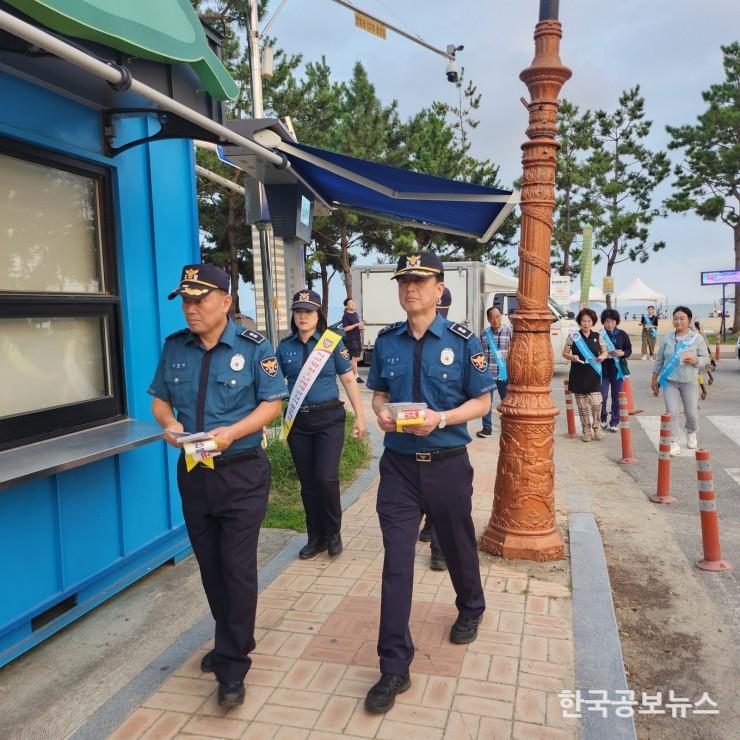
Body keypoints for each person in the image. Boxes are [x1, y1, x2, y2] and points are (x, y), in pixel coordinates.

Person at [148, 264, 287, 708]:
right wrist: (169, 425)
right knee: (210, 566)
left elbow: (272, 403)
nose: (191, 309)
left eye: (200, 300)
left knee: (237, 567)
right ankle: (232, 638)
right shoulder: (175, 348)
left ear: (225, 302)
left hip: (242, 472)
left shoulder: (254, 347)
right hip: (193, 472)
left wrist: (231, 432)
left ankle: (232, 666)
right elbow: (159, 399)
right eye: (186, 300)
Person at [364, 252, 491, 714]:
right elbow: (379, 391)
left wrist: (442, 418)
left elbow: (481, 401)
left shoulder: (462, 341)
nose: (409, 288)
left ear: (440, 289)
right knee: (397, 563)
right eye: (403, 281)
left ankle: (471, 605)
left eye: (420, 281)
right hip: (398, 468)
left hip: (447, 464)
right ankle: (393, 666)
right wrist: (380, 411)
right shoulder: (387, 342)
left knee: (457, 544)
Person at [277, 289, 366, 559]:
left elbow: (349, 380)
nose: (303, 316)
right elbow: (272, 384)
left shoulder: (332, 342)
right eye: (298, 311)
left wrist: (360, 417)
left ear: (318, 315)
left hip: (328, 419)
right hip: (298, 422)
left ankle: (333, 533)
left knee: (326, 478)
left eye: (308, 311)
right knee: (308, 483)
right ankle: (314, 537)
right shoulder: (284, 347)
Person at [419, 285, 454, 567]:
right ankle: (429, 525)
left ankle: (440, 550)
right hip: (410, 440)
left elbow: (476, 400)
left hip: (444, 442)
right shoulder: (401, 339)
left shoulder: (456, 341)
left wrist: (443, 419)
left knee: (443, 502)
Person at [651, 306, 708, 455]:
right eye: (675, 318)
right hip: (670, 381)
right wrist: (654, 379)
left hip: (689, 381)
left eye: (682, 318)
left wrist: (696, 360)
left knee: (691, 413)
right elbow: (659, 360)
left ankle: (691, 432)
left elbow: (705, 359)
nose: (678, 321)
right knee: (672, 412)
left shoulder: (697, 338)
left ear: (689, 320)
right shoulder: (667, 338)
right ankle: (674, 441)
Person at [562, 308, 608, 442]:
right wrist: (572, 356)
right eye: (583, 321)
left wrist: (602, 357)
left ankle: (596, 426)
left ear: (592, 322)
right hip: (578, 374)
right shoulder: (573, 336)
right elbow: (564, 353)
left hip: (593, 374)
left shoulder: (598, 336)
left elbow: (605, 352)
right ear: (579, 322)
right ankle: (586, 431)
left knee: (596, 403)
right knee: (582, 407)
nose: (586, 324)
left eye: (589, 321)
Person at [476, 305, 512, 438]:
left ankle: (509, 428)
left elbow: (514, 352)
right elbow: (480, 354)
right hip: (488, 374)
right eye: (492, 317)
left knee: (507, 402)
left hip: (504, 374)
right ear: (488, 319)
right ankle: (486, 428)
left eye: (497, 316)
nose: (495, 320)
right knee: (486, 402)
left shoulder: (509, 331)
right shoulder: (484, 334)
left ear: (501, 316)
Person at [599, 308, 632, 432]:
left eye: (612, 321)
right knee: (602, 396)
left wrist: (622, 353)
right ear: (603, 322)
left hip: (618, 370)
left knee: (617, 397)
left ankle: (614, 421)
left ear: (616, 321)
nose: (610, 324)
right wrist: (606, 354)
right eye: (607, 321)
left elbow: (629, 350)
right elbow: (596, 350)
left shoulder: (622, 334)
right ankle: (602, 417)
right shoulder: (599, 334)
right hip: (603, 369)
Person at [341, 297, 365, 383]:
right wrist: (356, 325)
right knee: (354, 358)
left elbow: (358, 325)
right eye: (350, 303)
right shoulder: (345, 316)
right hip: (351, 339)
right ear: (346, 306)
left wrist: (361, 329)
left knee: (356, 358)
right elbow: (345, 329)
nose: (353, 304)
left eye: (353, 302)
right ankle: (356, 376)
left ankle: (351, 374)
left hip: (357, 337)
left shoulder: (355, 314)